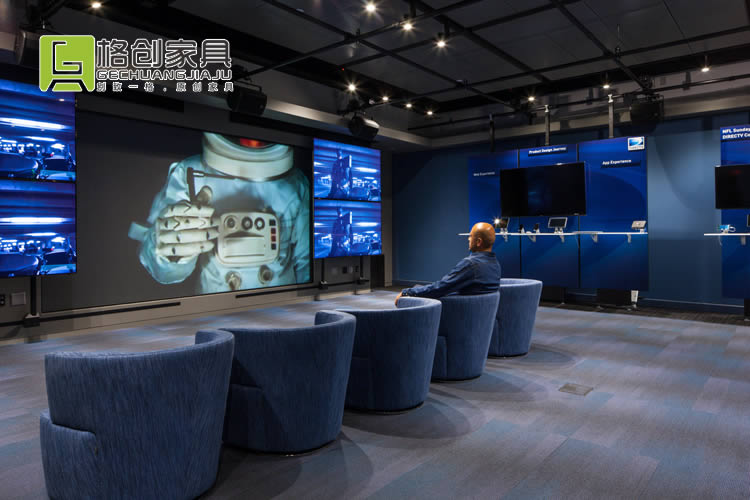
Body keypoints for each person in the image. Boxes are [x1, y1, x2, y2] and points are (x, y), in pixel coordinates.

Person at [129, 133, 310, 293]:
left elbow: (306, 262)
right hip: (217, 308)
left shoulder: (295, 183)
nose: (252, 141)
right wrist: (171, 251)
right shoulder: (191, 172)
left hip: (278, 308)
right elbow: (161, 269)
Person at [395, 222, 501, 305]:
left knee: (413, 292)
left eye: (471, 236)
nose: (468, 239)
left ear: (478, 242)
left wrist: (408, 292)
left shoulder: (471, 265)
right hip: (479, 318)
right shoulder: (495, 264)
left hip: (454, 314)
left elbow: (440, 288)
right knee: (418, 287)